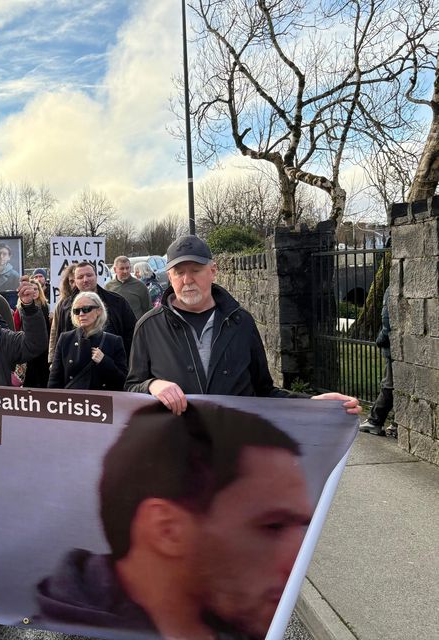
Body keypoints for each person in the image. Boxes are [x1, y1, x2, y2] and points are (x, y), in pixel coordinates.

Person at [36, 402, 312, 640]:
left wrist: (313, 407)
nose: (298, 560)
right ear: (166, 529)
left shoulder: (228, 619)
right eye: (272, 527)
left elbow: (259, 383)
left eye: (301, 527)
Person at [126, 235, 360, 417]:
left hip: (234, 453)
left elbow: (262, 391)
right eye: (179, 273)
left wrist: (311, 404)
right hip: (176, 457)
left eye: (195, 271)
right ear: (169, 276)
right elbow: (131, 389)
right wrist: (152, 385)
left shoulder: (240, 322)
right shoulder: (148, 327)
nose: (187, 280)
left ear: (213, 271)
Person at [52, 261, 137, 358]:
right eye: (80, 277)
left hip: (111, 363)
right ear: (75, 281)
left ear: (96, 276)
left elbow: (131, 333)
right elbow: (59, 336)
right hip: (75, 363)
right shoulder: (65, 306)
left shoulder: (117, 302)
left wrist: (126, 361)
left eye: (89, 275)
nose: (85, 280)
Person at [48, 291, 127, 391]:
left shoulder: (114, 341)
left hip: (101, 403)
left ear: (99, 311)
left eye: (86, 309)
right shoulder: (65, 339)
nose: (81, 314)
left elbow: (123, 381)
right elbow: (54, 380)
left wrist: (105, 361)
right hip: (72, 402)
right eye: (76, 311)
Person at [360, 286, 394, 436]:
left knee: (389, 384)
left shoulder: (391, 289)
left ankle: (375, 421)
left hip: (393, 346)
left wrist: (381, 339)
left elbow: (387, 319)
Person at [13, 275, 51, 388]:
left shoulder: (48, 307)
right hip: (29, 349)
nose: (34, 292)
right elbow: (15, 327)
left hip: (45, 349)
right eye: (31, 289)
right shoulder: (20, 309)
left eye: (36, 289)